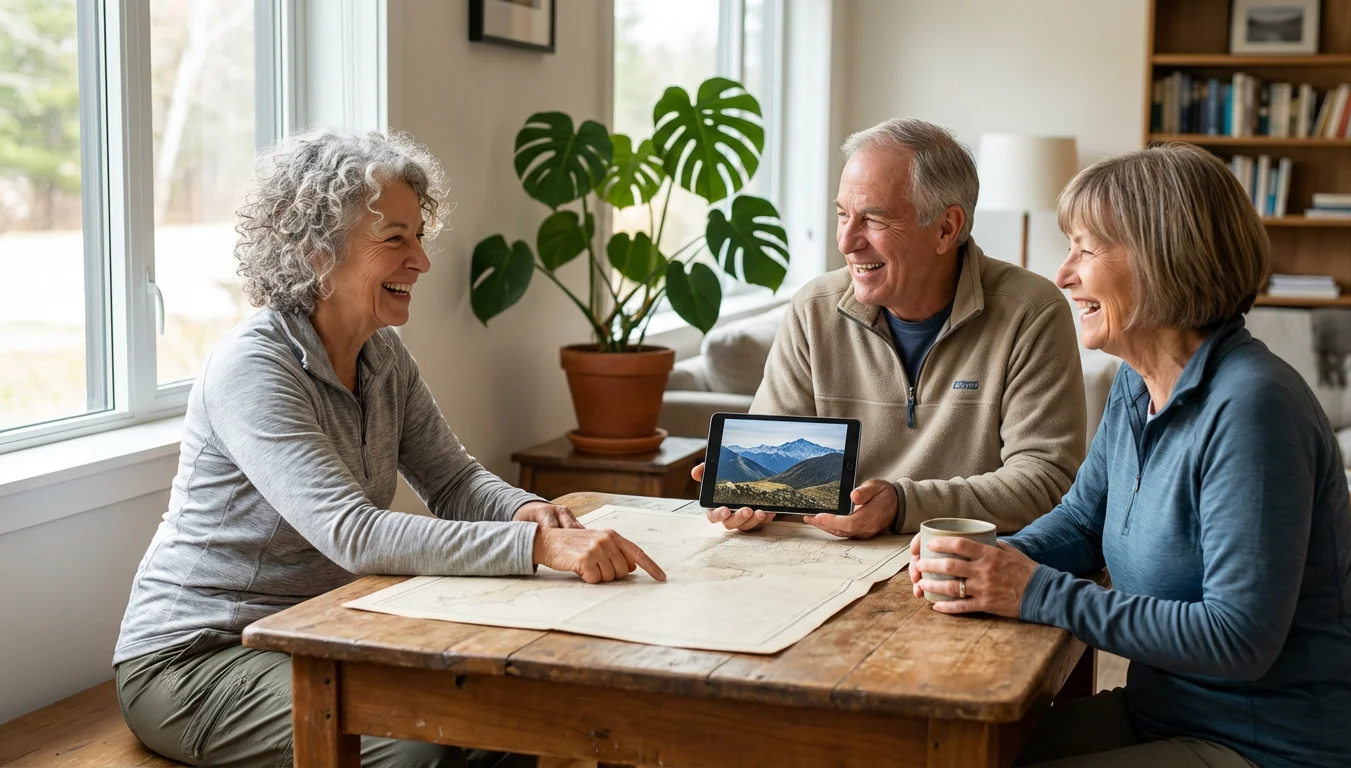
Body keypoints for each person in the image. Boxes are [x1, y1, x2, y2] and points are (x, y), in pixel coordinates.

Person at [112, 129, 665, 768]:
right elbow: (354, 534)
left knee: (509, 717)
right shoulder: (253, 366)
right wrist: (537, 548)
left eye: (419, 236)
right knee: (420, 750)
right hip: (200, 658)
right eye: (394, 239)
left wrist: (525, 512)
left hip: (323, 629)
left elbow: (454, 482)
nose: (422, 262)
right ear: (317, 251)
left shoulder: (381, 354)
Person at [911, 142, 1351, 767]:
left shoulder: (1253, 408)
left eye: (1085, 249)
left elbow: (1238, 639)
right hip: (1167, 713)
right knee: (938, 754)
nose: (1063, 274)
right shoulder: (1139, 383)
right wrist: (985, 561)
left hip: (1273, 746)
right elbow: (1083, 522)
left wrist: (1032, 591)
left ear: (1163, 256)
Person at [694, 118, 1086, 538]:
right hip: (829, 560)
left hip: (960, 564)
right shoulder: (813, 310)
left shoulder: (1031, 312)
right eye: (843, 214)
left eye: (873, 220)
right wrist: (746, 503)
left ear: (946, 228)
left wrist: (901, 504)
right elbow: (778, 468)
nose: (846, 241)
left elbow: (1046, 481)